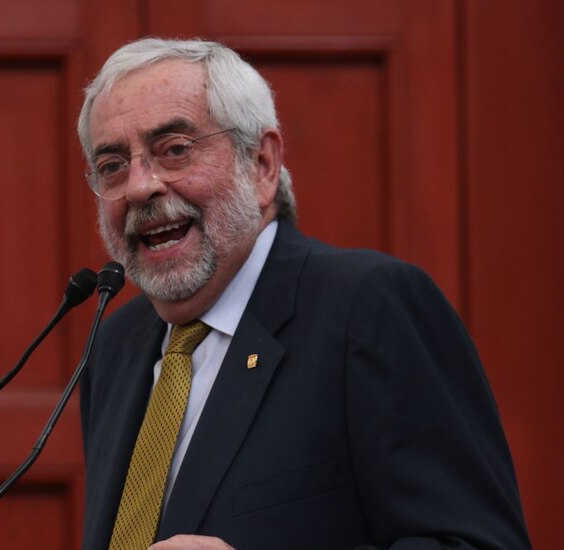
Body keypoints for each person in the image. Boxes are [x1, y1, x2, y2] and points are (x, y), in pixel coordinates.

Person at [76, 37, 530, 550]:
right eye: (113, 165)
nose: (139, 187)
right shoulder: (115, 345)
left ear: (263, 164)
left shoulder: (368, 307)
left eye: (175, 150)